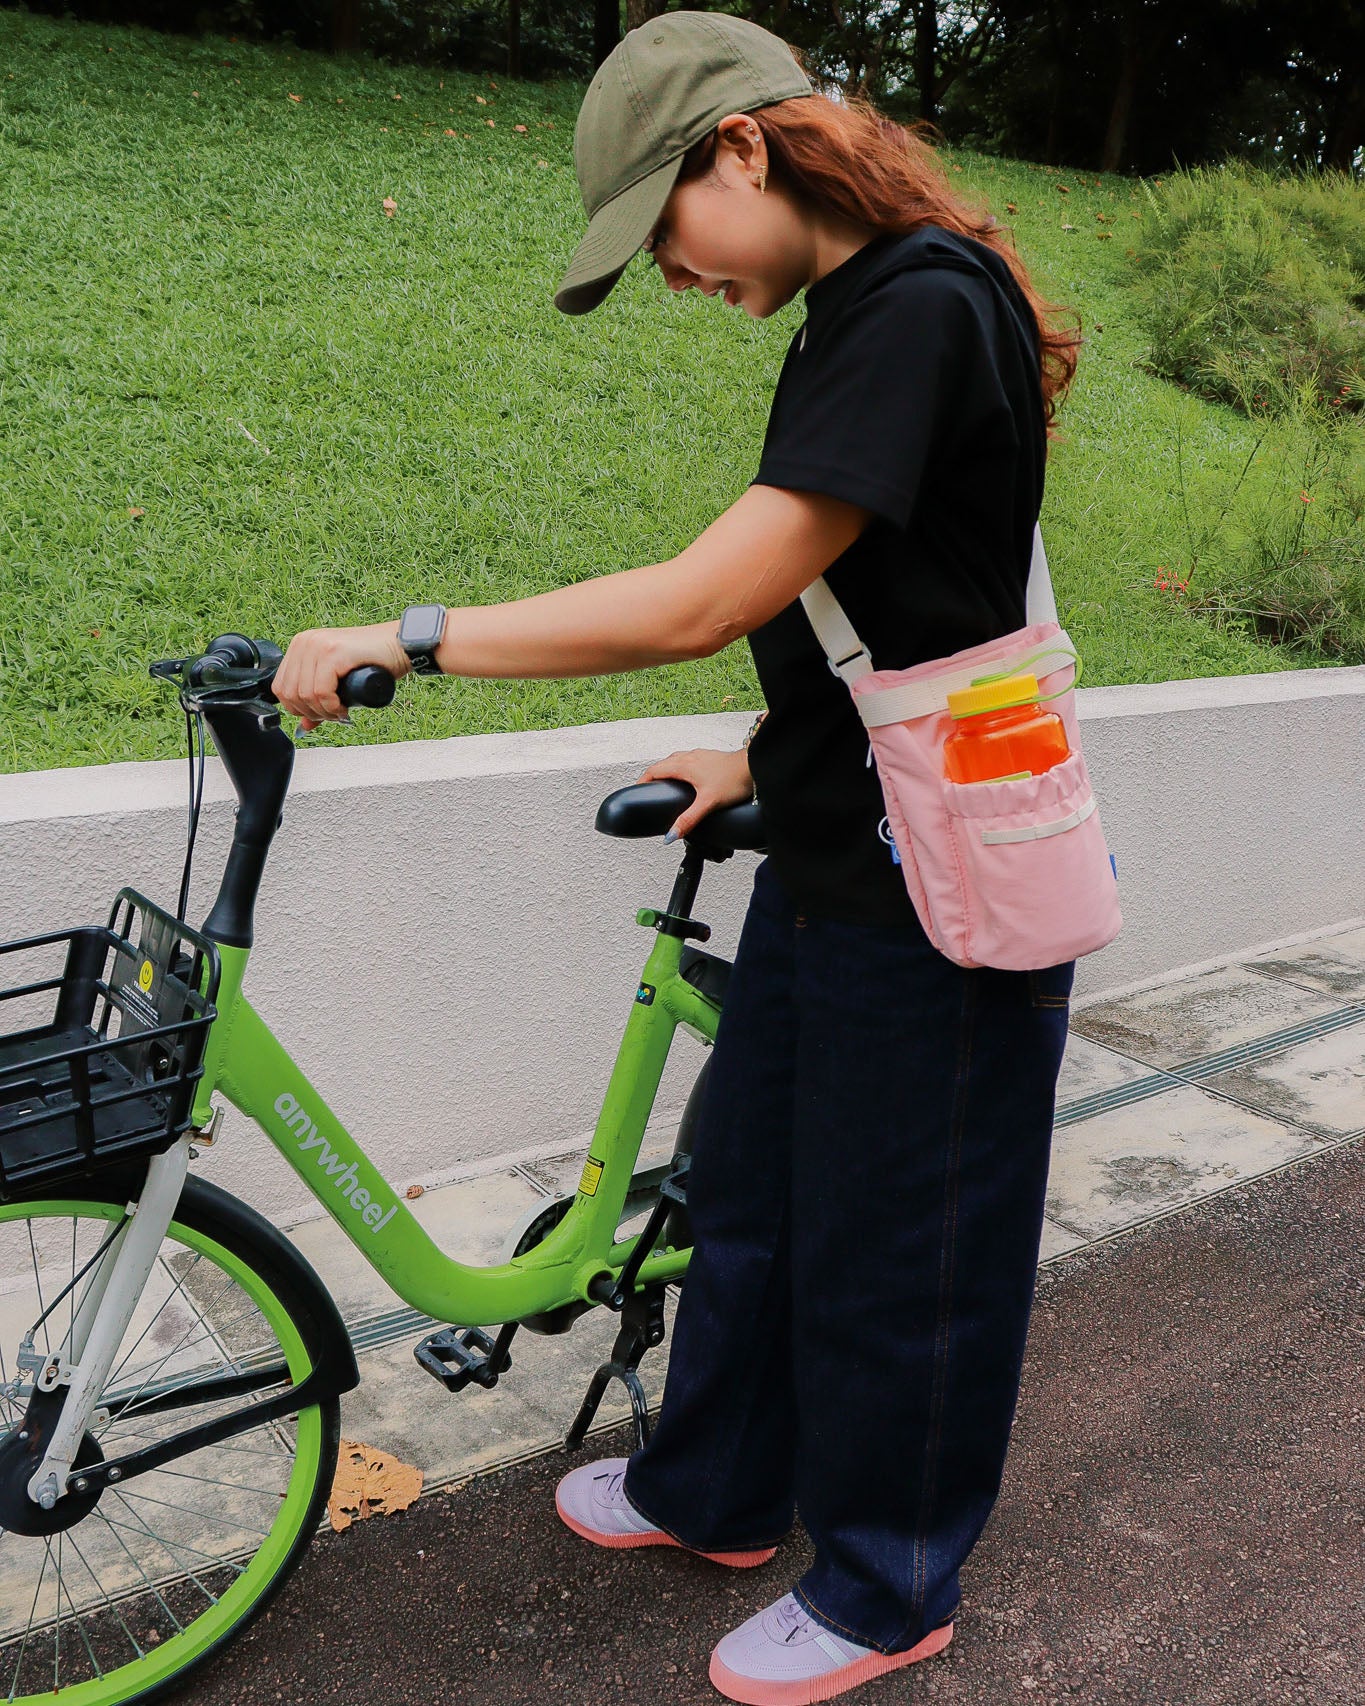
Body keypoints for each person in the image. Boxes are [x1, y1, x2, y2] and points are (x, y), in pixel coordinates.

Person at [273, 13, 1083, 1703]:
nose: (669, 273)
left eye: (662, 230)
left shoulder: (920, 305)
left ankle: (885, 1587)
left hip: (929, 884)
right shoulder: (869, 307)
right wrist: (759, 756)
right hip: (838, 832)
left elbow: (711, 592)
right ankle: (711, 1488)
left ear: (739, 148)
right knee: (750, 1193)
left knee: (902, 1244)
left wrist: (410, 636)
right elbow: (900, 600)